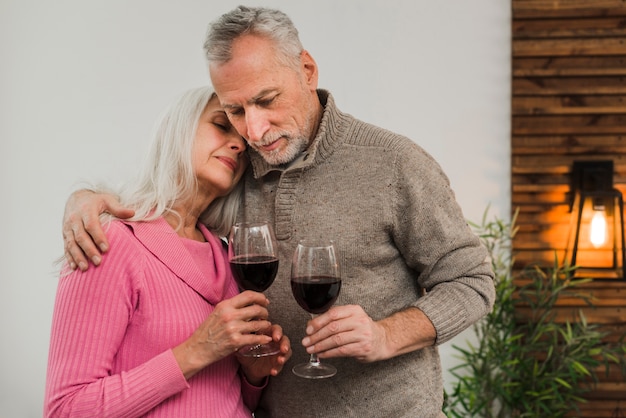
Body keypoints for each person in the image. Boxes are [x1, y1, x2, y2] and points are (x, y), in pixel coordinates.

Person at [61, 6, 496, 418]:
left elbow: (472, 281)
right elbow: (169, 222)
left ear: (306, 70)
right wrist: (87, 199)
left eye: (267, 100)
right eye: (234, 111)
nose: (254, 130)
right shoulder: (238, 169)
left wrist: (386, 335)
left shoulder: (395, 163)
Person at [45, 85, 291, 418]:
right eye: (221, 125)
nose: (238, 145)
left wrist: (252, 373)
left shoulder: (230, 258)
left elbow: (219, 400)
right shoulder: (111, 240)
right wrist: (195, 351)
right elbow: (65, 410)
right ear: (180, 129)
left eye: (244, 143)